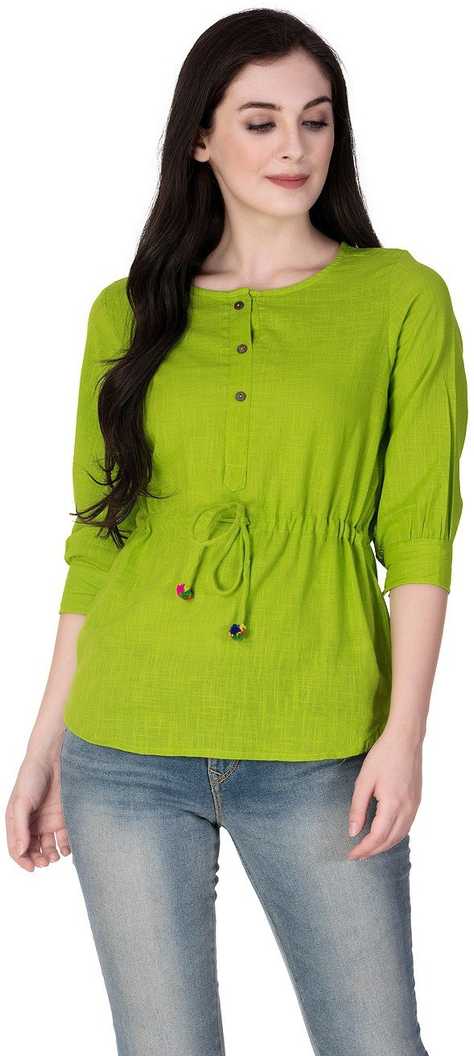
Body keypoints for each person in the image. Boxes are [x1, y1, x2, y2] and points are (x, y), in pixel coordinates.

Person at [5, 10, 468, 1056]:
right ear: (201, 140)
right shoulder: (126, 312)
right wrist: (42, 750)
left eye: (316, 119)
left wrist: (404, 736)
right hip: (124, 746)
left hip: (318, 744)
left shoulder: (401, 299)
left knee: (376, 1042)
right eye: (260, 122)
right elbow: (99, 545)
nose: (294, 146)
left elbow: (419, 535)